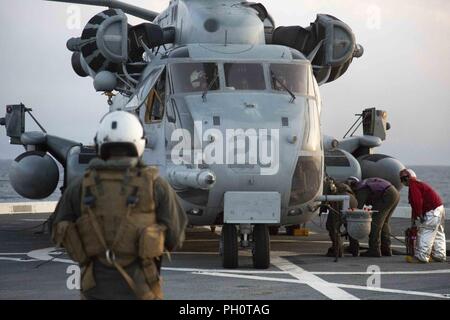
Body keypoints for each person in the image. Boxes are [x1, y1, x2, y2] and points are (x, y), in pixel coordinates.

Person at [51, 111, 188, 300]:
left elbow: (57, 229)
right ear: (139, 143)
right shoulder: (155, 185)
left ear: (100, 144)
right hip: (142, 289)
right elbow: (175, 237)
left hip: (94, 291)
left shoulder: (80, 186)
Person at [400, 169, 446, 263]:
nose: (402, 182)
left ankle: (421, 257)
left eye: (402, 179)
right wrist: (413, 219)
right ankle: (439, 255)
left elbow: (417, 202)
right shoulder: (418, 184)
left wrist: (420, 215)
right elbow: (414, 205)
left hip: (432, 211)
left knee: (426, 231)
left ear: (406, 178)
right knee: (438, 233)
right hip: (439, 208)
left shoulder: (413, 185)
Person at [347, 176, 400, 257]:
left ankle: (374, 250)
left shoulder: (361, 189)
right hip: (394, 193)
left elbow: (357, 210)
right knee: (384, 222)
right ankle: (386, 249)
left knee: (375, 222)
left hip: (387, 195)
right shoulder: (365, 183)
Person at [323, 176, 359, 257]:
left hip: (340, 199)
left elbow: (324, 197)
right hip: (353, 200)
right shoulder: (348, 188)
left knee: (332, 226)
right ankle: (355, 249)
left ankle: (337, 250)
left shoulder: (328, 183)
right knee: (351, 226)